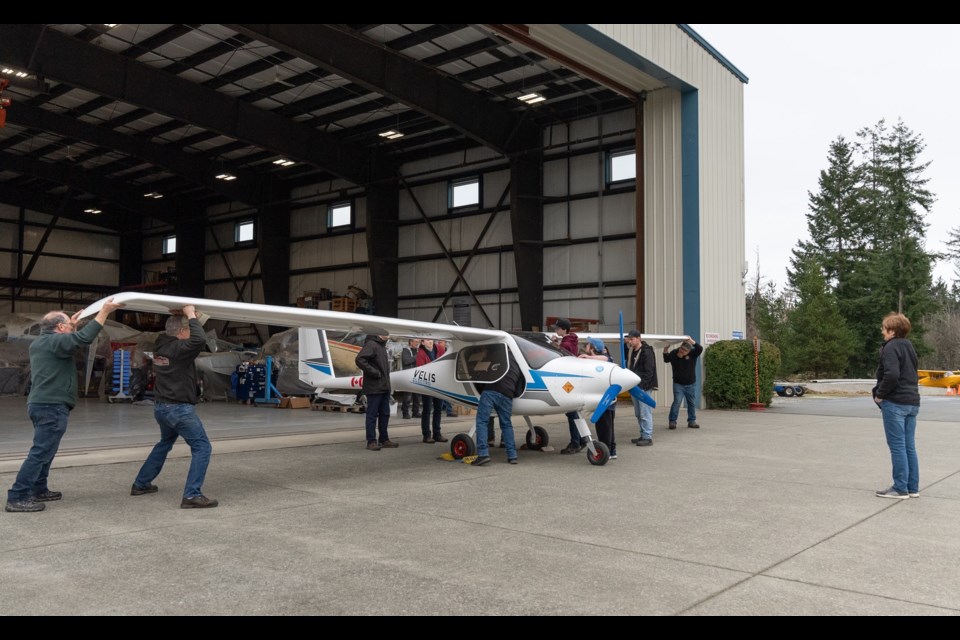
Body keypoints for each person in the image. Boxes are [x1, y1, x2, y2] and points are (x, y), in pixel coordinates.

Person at [5, 298, 123, 513]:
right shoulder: (54, 342)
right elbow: (83, 339)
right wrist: (104, 312)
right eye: (68, 324)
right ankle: (18, 495)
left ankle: (39, 488)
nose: (71, 326)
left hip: (43, 404)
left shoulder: (42, 342)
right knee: (41, 451)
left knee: (46, 449)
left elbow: (71, 339)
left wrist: (73, 326)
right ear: (60, 327)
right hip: (51, 406)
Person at [131, 305, 219, 508]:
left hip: (162, 407)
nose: (190, 334)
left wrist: (182, 317)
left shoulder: (162, 344)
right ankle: (191, 495)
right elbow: (199, 340)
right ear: (181, 333)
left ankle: (141, 483)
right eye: (187, 329)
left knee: (164, 443)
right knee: (202, 447)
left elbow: (177, 333)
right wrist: (189, 314)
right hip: (179, 409)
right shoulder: (179, 350)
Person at [872, 312, 921, 499]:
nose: (882, 332)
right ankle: (912, 487)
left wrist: (880, 394)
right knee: (909, 445)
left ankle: (900, 488)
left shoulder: (891, 347)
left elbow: (891, 374)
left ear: (892, 331)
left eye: (884, 329)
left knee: (897, 446)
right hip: (912, 402)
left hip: (896, 402)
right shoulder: (909, 346)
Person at [472, 349, 525, 466]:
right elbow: (519, 388)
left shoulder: (494, 356)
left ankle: (483, 454)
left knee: (482, 421)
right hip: (507, 394)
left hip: (490, 390)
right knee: (506, 424)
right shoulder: (519, 361)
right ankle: (512, 456)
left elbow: (481, 377)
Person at [355, 334, 397, 451]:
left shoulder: (382, 346)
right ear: (378, 333)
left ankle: (384, 439)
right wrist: (375, 373)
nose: (388, 335)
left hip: (384, 386)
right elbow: (359, 359)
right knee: (372, 415)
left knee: (385, 414)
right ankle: (371, 441)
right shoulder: (372, 344)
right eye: (385, 332)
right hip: (374, 387)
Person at [580, 338, 617, 459]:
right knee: (609, 427)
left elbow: (605, 358)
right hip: (609, 400)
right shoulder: (604, 360)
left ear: (592, 348)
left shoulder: (603, 361)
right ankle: (612, 450)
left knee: (604, 428)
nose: (586, 347)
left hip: (603, 401)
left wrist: (588, 357)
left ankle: (606, 450)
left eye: (588, 345)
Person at [552, 319, 584, 455]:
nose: (556, 330)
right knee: (575, 413)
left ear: (563, 330)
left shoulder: (566, 343)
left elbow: (559, 358)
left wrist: (554, 344)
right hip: (572, 381)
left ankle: (575, 443)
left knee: (571, 413)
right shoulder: (572, 341)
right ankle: (582, 440)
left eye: (557, 329)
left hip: (567, 383)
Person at [625, 329, 658, 447]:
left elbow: (649, 370)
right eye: (628, 339)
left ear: (638, 338)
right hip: (634, 386)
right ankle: (643, 434)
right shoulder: (631, 351)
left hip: (643, 387)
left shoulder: (646, 351)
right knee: (638, 413)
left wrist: (643, 386)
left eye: (631, 339)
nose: (629, 341)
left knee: (645, 412)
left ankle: (647, 437)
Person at [663, 336, 703, 429]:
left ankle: (691, 421)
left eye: (684, 351)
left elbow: (700, 348)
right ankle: (672, 421)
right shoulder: (674, 353)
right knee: (677, 402)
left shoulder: (693, 354)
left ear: (689, 351)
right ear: (680, 347)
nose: (682, 352)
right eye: (681, 349)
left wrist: (691, 341)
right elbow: (666, 359)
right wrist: (665, 349)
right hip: (678, 384)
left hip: (691, 384)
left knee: (691, 403)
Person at [416, 338, 447, 443]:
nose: (430, 342)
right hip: (427, 385)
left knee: (438, 408)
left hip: (439, 383)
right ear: (422, 342)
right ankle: (426, 435)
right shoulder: (421, 353)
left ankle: (437, 434)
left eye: (431, 340)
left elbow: (445, 362)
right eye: (427, 340)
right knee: (427, 409)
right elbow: (421, 369)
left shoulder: (439, 348)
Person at [399, 338, 421, 419]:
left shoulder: (418, 350)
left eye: (418, 342)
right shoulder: (406, 350)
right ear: (410, 342)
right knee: (408, 395)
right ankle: (405, 413)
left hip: (417, 375)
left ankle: (416, 412)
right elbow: (406, 361)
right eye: (416, 342)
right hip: (408, 375)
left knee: (417, 395)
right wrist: (417, 356)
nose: (417, 343)